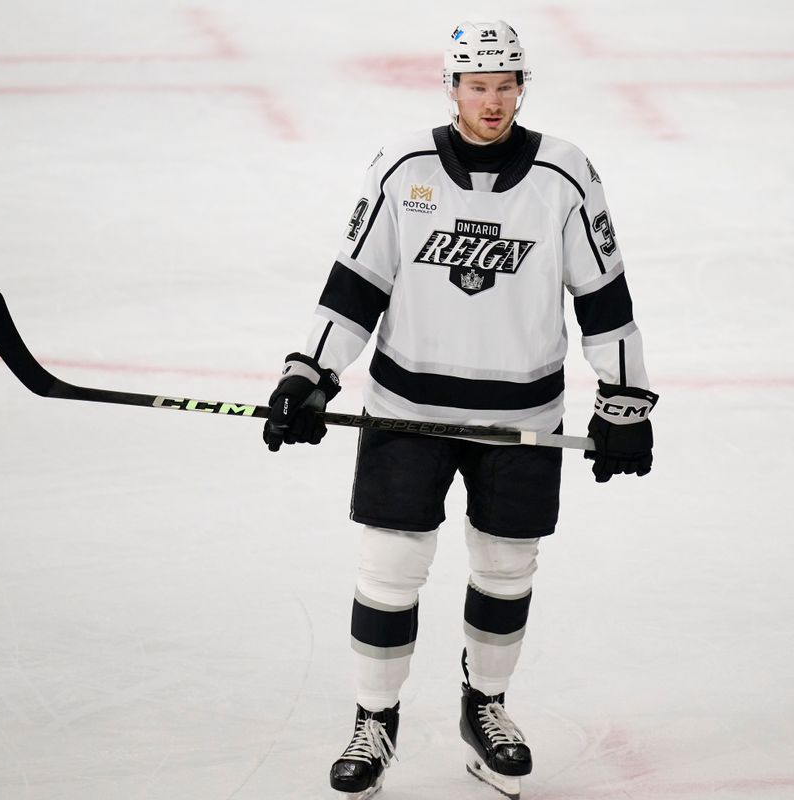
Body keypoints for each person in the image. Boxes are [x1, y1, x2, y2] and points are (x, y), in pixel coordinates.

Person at [262, 20, 658, 800]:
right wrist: (310, 374)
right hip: (409, 409)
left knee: (507, 569)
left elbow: (604, 296)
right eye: (478, 86)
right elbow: (356, 283)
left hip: (523, 416)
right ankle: (374, 721)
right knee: (390, 570)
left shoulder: (565, 173)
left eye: (506, 85)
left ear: (522, 87)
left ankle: (486, 709)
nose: (493, 101)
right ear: (451, 88)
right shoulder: (403, 166)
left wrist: (624, 402)